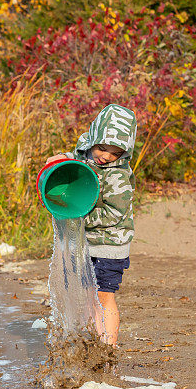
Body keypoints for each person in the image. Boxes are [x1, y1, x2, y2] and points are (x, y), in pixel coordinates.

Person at [45, 104, 136, 346]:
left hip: (111, 244)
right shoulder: (87, 149)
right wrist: (64, 158)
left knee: (104, 296)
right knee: (88, 295)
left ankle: (108, 348)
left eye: (114, 153)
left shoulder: (118, 177)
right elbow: (78, 159)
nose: (105, 156)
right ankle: (95, 340)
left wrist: (80, 219)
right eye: (102, 148)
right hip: (88, 243)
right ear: (94, 138)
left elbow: (114, 214)